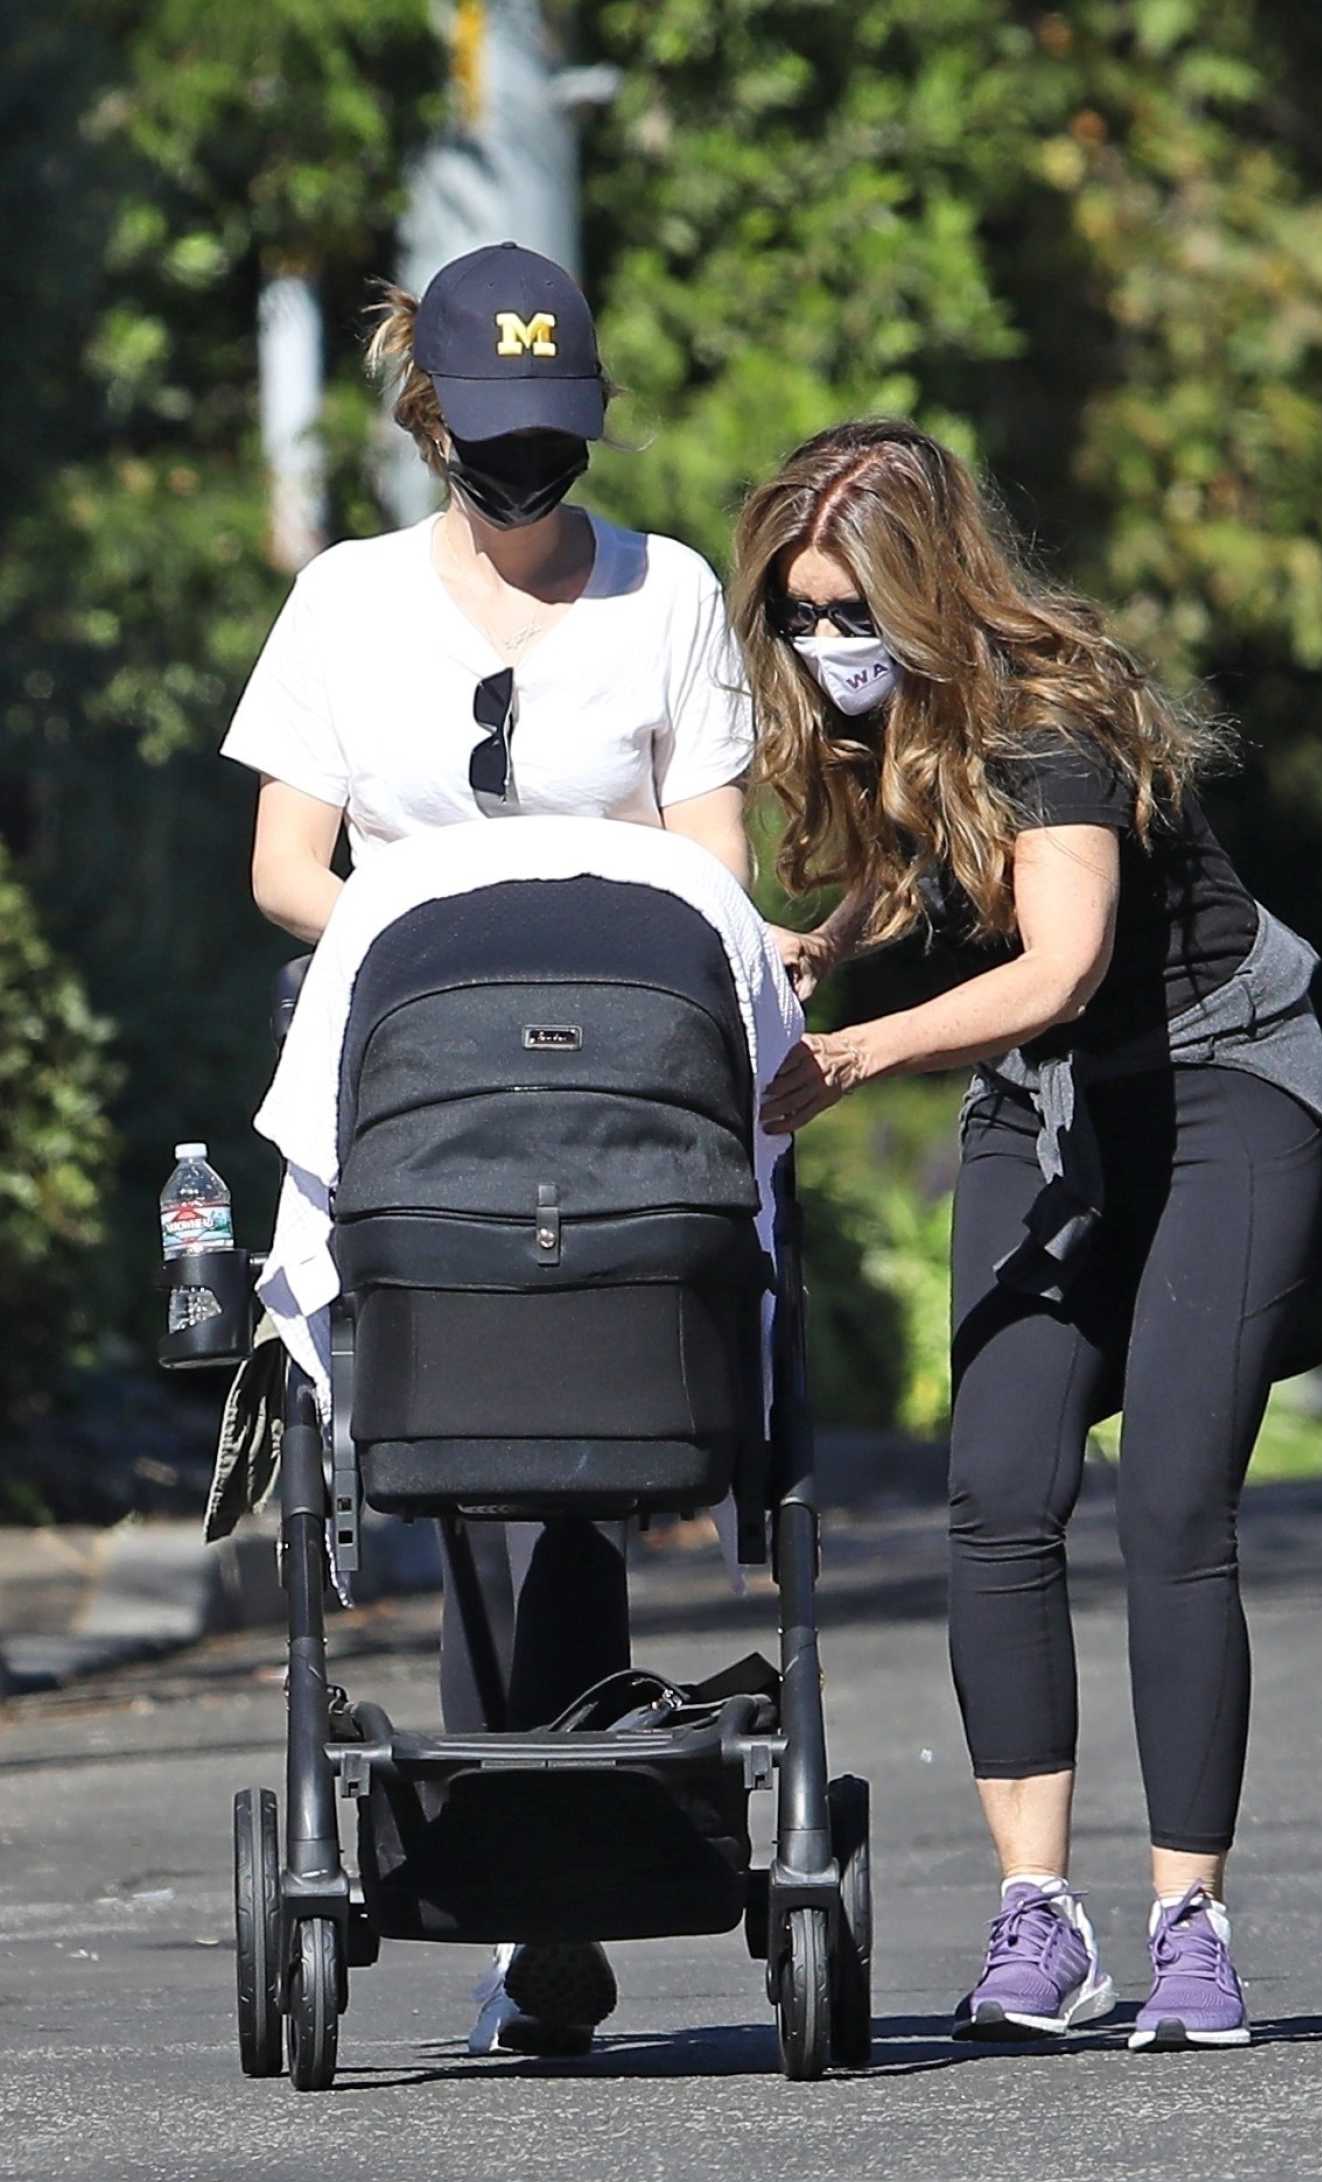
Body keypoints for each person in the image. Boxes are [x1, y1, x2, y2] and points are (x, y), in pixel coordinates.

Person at [733, 419, 1322, 2051]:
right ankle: (1034, 1922)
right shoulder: (898, 718)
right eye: (800, 615)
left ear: (926, 592)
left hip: (1217, 1087)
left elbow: (1054, 958)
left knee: (1177, 1495)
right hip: (1045, 1105)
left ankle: (1190, 1925)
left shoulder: (1051, 714)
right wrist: (826, 943)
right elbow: (928, 859)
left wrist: (848, 1057)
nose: (827, 645)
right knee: (999, 1485)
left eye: (853, 612)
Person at [221, 242, 754, 2057]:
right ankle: (541, 1862)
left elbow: (715, 873)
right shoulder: (349, 604)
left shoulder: (668, 593)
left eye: (557, 440)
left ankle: (547, 1859)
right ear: (432, 420)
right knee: (474, 1440)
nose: (532, 479)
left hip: (615, 1087)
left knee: (579, 1435)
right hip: (420, 1073)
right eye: (495, 438)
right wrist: (419, 913)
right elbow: (290, 863)